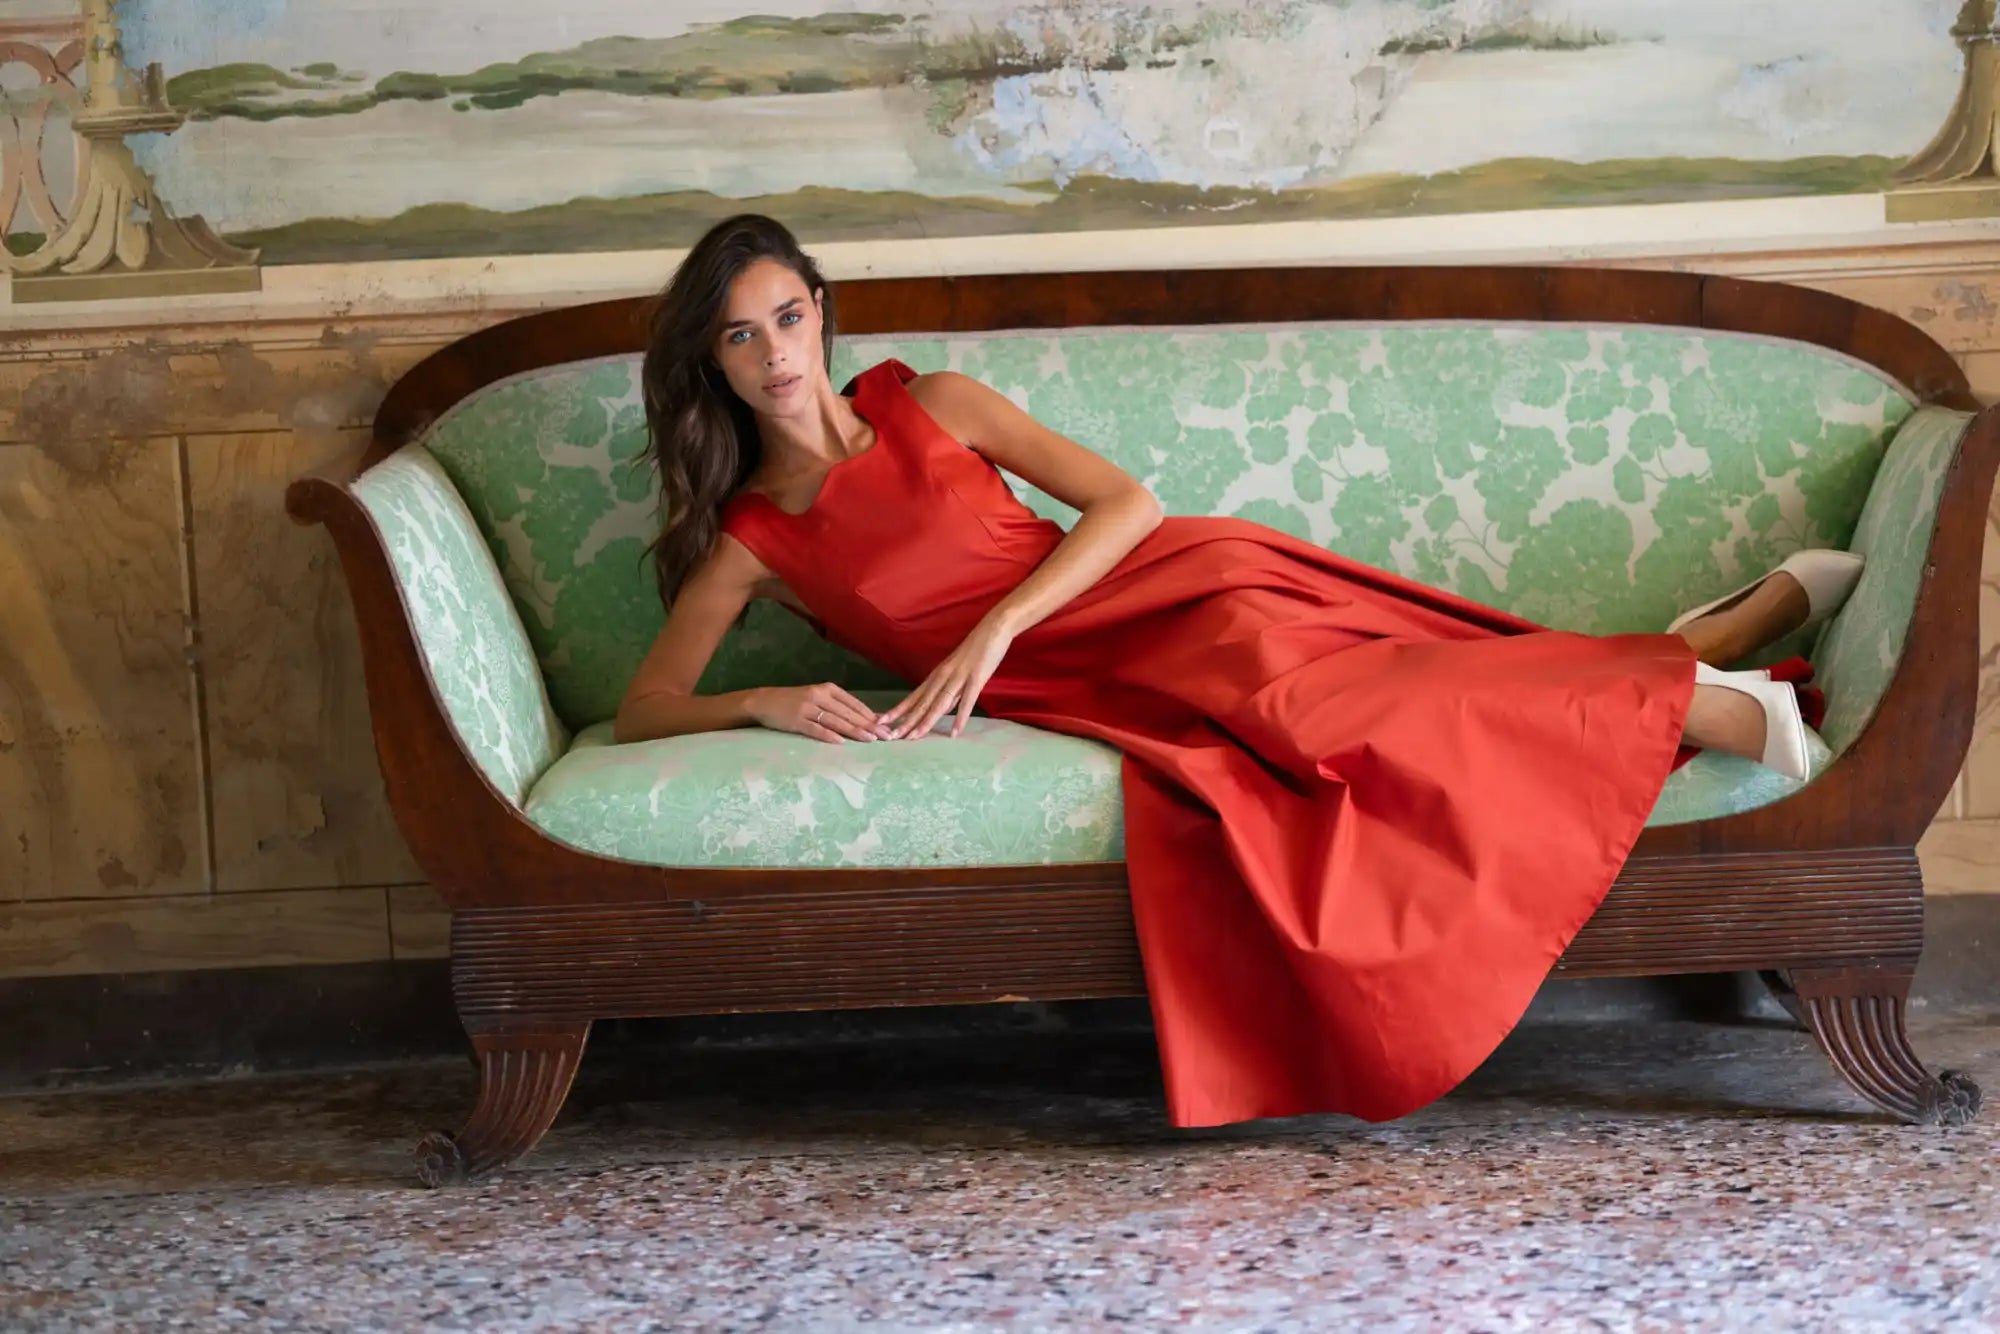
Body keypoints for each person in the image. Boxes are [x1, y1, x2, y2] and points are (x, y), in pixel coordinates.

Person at [615, 214, 1864, 1127]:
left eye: (788, 315)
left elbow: (1124, 502)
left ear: (821, 311)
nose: (775, 351)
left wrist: (989, 632)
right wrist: (765, 697)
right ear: (712, 364)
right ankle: (1708, 649)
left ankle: (1708, 686)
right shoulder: (752, 541)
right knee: (1386, 703)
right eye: (739, 335)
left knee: (1363, 696)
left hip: (1167, 588)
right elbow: (644, 712)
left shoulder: (931, 401)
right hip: (1088, 683)